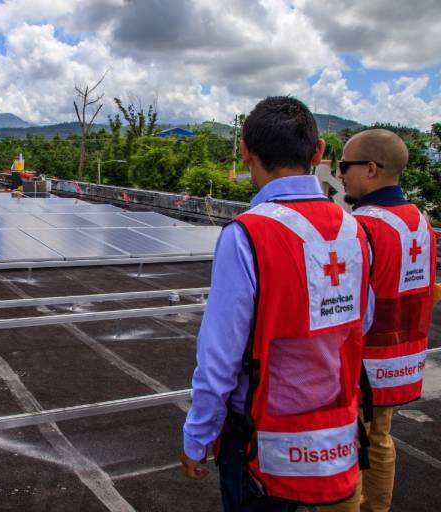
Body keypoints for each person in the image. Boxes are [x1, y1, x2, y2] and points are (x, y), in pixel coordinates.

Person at [180, 96, 374, 511]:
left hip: (260, 436)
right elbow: (364, 319)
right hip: (333, 429)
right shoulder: (354, 230)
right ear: (319, 152)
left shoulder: (247, 233)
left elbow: (219, 358)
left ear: (246, 152)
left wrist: (197, 437)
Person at [320, 129, 438, 512]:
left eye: (343, 167)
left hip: (364, 363)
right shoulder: (421, 221)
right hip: (404, 357)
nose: (339, 175)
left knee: (343, 449)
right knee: (380, 438)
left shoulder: (361, 227)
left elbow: (345, 302)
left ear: (370, 169)